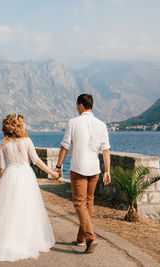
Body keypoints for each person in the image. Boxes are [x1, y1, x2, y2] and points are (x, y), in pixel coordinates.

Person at [0, 113, 59, 262]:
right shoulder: (27, 141)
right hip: (25, 175)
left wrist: (3, 184)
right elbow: (36, 160)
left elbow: (1, 168)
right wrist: (52, 173)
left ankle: (8, 240)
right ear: (20, 125)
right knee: (27, 207)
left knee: (9, 208)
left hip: (10, 175)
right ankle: (26, 239)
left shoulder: (3, 144)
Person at [54, 94, 111, 254]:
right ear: (91, 105)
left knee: (79, 203)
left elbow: (65, 146)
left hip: (78, 168)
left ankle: (91, 238)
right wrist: (107, 171)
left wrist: (58, 166)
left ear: (80, 105)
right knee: (88, 202)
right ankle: (81, 239)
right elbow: (106, 150)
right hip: (95, 169)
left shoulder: (73, 122)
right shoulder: (101, 124)